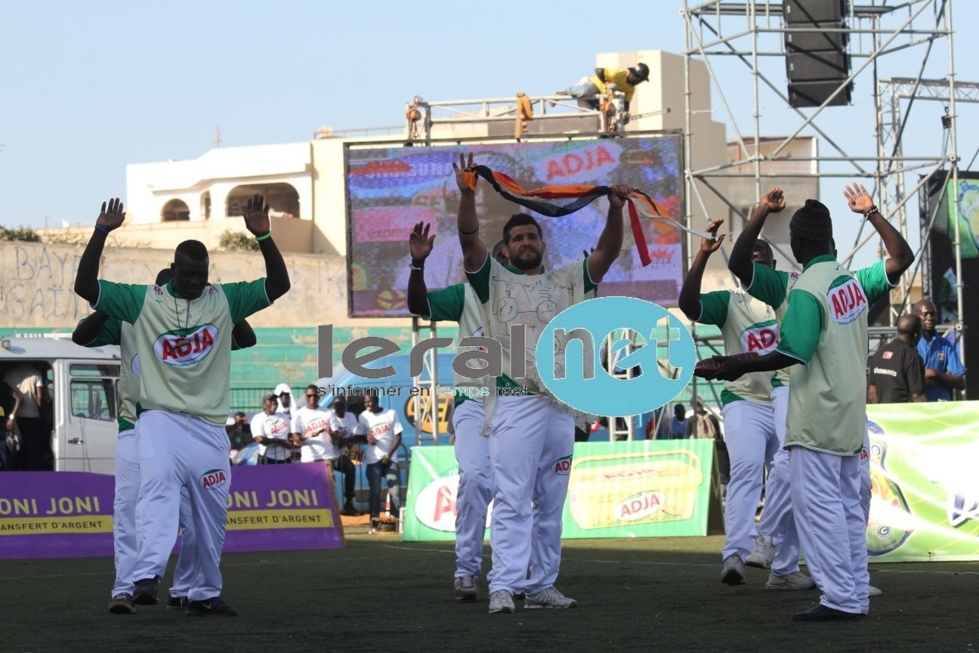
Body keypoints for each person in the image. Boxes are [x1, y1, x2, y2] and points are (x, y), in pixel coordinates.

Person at [73, 194, 290, 617]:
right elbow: (85, 289)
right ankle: (145, 577)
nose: (196, 282)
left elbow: (277, 286)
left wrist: (263, 234)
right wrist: (100, 233)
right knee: (156, 491)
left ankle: (202, 592)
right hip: (156, 419)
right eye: (189, 275)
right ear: (174, 271)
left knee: (210, 513)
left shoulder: (221, 298)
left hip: (208, 427)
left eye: (202, 275)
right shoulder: (142, 301)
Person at [705, 185, 914, 620]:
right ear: (833, 242)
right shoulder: (851, 281)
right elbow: (902, 257)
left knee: (819, 513)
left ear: (797, 246)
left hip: (815, 416)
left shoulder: (802, 290)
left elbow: (792, 353)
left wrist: (738, 364)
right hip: (850, 417)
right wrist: (871, 212)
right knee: (845, 508)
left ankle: (840, 599)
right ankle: (853, 589)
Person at [453, 152, 627, 613]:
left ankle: (541, 586)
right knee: (512, 499)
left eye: (532, 235)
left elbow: (608, 253)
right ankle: (504, 586)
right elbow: (469, 239)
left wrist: (614, 210)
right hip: (514, 401)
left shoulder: (570, 280)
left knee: (550, 502)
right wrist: (468, 195)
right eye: (517, 238)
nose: (526, 241)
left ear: (542, 243)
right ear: (506, 249)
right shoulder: (493, 282)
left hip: (561, 406)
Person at [678, 217, 781, 588]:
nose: (753, 269)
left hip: (787, 400)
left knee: (790, 475)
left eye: (761, 263)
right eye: (748, 263)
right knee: (748, 468)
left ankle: (781, 561)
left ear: (772, 268)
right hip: (744, 400)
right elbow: (689, 305)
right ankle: (735, 554)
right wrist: (702, 257)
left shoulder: (790, 295)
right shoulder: (731, 301)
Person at [406, 221, 494, 602]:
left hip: (521, 405)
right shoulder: (466, 294)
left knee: (519, 490)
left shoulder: (533, 297)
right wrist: (416, 265)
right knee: (474, 478)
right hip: (473, 402)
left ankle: (518, 572)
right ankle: (466, 571)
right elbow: (418, 305)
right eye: (495, 257)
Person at [292, 385, 359, 516]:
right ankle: (311, 517)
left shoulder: (328, 413)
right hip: (309, 458)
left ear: (319, 396)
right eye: (309, 396)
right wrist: (306, 436)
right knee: (310, 490)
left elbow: (336, 438)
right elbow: (296, 440)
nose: (312, 398)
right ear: (306, 396)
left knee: (328, 488)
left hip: (327, 457)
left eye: (315, 396)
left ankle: (331, 517)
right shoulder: (299, 415)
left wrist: (331, 433)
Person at [358, 392, 404, 524]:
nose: (369, 404)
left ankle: (396, 522)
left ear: (377, 400)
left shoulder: (391, 413)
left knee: (395, 491)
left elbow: (398, 436)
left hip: (390, 459)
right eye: (366, 402)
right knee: (375, 491)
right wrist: (366, 437)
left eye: (371, 401)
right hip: (373, 460)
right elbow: (360, 436)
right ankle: (374, 522)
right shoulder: (363, 416)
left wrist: (389, 454)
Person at [555, 63, 650, 120]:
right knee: (585, 91)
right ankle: (562, 93)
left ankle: (605, 136)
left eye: (641, 80)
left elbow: (627, 103)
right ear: (632, 74)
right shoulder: (618, 74)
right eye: (638, 78)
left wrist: (625, 113)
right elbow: (598, 70)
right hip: (595, 85)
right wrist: (606, 83)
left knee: (611, 112)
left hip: (602, 96)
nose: (638, 81)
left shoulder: (631, 88)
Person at [913, 299, 965, 401]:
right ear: (916, 317)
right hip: (918, 410)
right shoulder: (912, 345)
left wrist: (934, 373)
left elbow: (960, 382)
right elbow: (912, 385)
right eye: (925, 314)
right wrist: (945, 377)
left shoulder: (945, 344)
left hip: (943, 408)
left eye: (933, 314)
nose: (930, 317)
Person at [868, 314, 926, 403]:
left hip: (881, 415)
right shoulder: (912, 357)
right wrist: (928, 415)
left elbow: (872, 390)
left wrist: (878, 412)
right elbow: (917, 396)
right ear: (916, 335)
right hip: (903, 415)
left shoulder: (878, 353)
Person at [3, 363, 48, 470]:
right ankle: (30, 473)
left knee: (15, 447)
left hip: (13, 418)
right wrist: (41, 410)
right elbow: (40, 397)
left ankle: (17, 471)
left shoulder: (9, 374)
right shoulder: (36, 374)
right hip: (31, 417)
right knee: (31, 449)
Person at [252, 393, 294, 464]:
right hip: (268, 458)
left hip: (285, 457)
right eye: (270, 400)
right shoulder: (258, 418)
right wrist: (280, 442)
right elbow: (259, 439)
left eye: (275, 400)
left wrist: (290, 441)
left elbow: (290, 434)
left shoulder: (284, 416)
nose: (274, 402)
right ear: (263, 404)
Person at [0, 378, 22, 471]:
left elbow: (18, 398)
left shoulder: (1, 385)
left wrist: (11, 419)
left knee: (6, 460)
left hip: (2, 429)